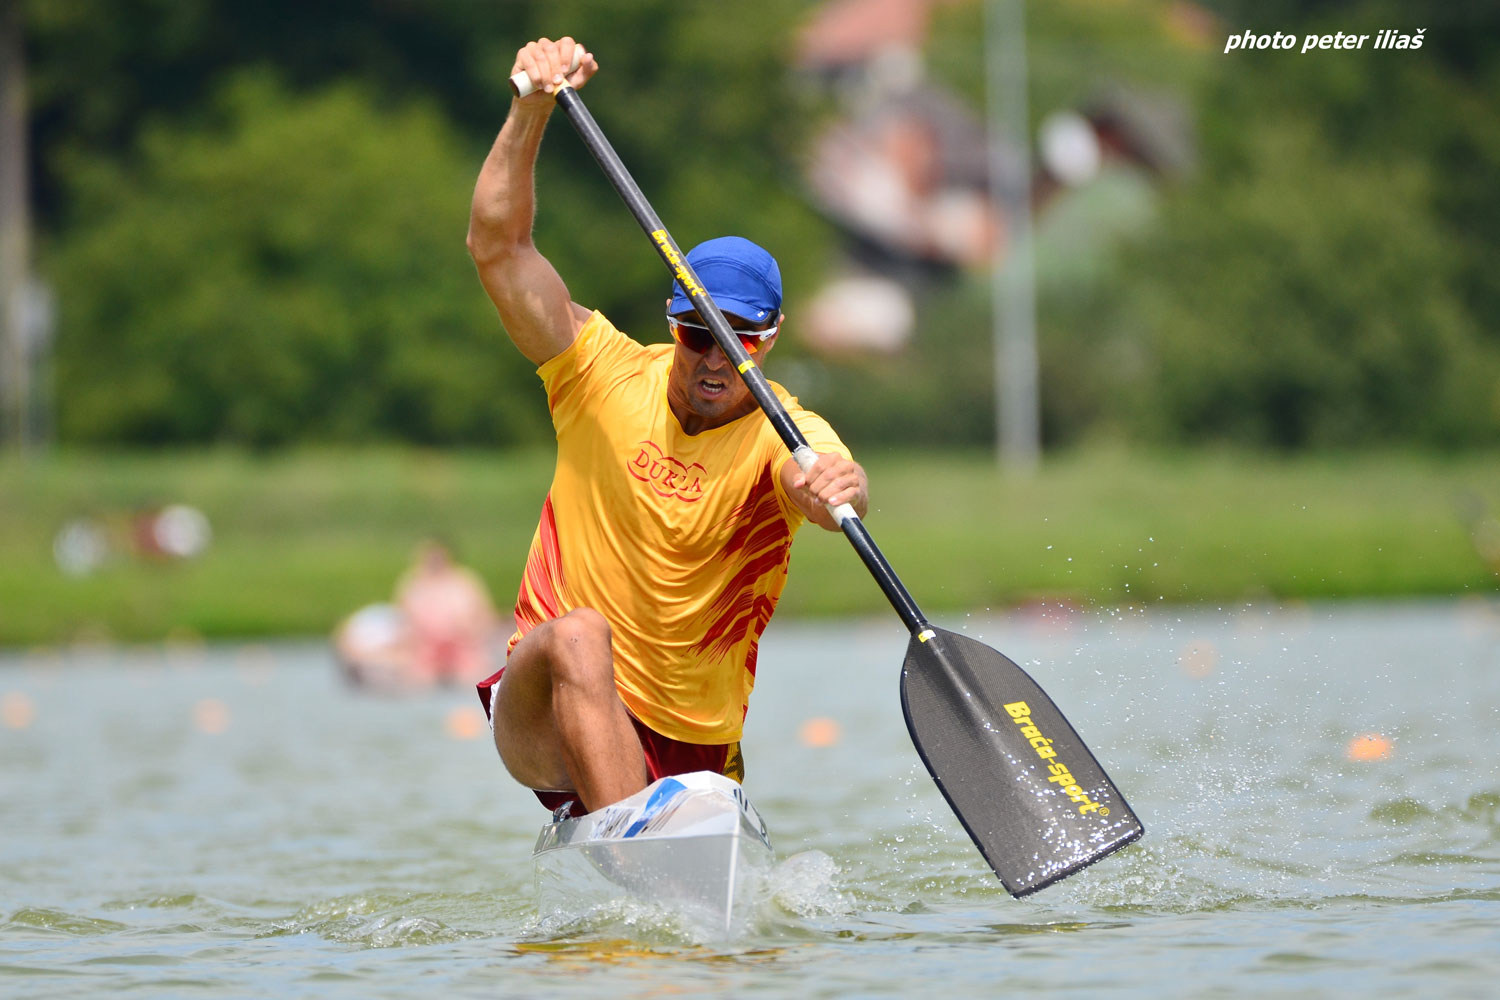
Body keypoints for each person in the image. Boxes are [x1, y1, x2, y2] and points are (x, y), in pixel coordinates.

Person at [466, 36, 869, 818]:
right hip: (547, 708)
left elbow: (818, 482)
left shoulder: (788, 433)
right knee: (577, 634)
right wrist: (530, 107)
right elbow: (498, 247)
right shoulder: (598, 372)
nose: (715, 359)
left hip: (695, 744)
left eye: (738, 340)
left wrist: (836, 487)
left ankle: (644, 836)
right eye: (697, 334)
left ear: (771, 337)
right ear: (671, 322)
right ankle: (634, 841)